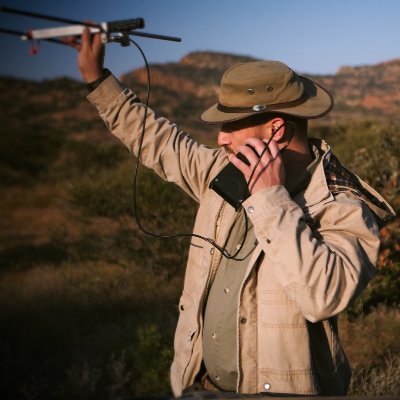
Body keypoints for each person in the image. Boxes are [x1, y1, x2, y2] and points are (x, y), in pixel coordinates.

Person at [67, 29, 395, 396]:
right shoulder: (223, 173)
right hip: (201, 388)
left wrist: (270, 197)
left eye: (231, 126)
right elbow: (159, 141)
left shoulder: (343, 207)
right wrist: (96, 78)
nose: (221, 138)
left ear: (277, 131)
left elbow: (324, 295)